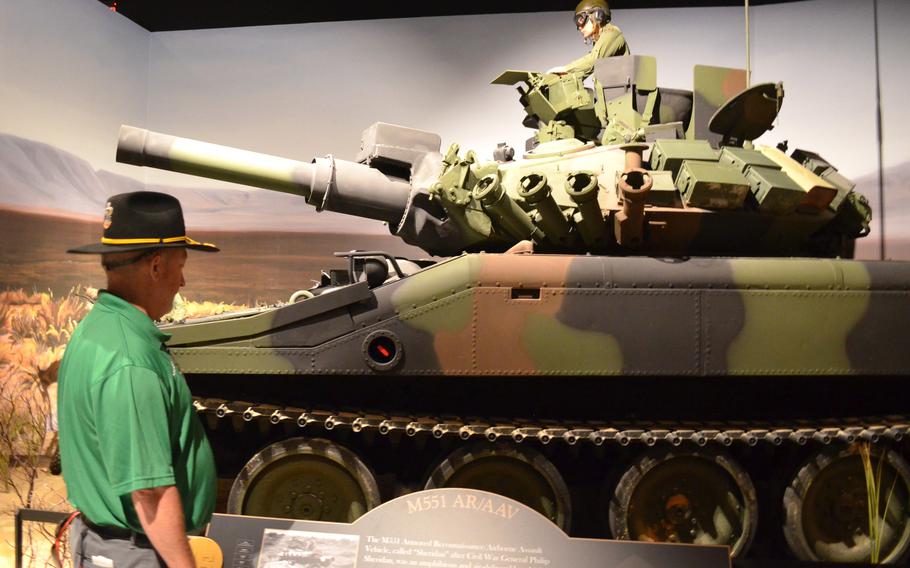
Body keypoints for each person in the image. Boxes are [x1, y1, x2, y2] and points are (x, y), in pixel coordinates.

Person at [58, 191, 219, 567]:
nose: (183, 281)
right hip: (138, 553)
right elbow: (150, 491)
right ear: (157, 266)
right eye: (180, 265)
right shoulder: (132, 361)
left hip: (109, 544)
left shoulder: (96, 328)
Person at [548, 0, 629, 78]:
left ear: (597, 15)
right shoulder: (600, 40)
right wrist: (566, 76)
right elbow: (587, 69)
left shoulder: (612, 33)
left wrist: (566, 69)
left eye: (581, 19)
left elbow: (593, 60)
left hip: (623, 90)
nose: (579, 27)